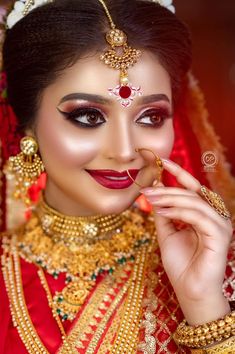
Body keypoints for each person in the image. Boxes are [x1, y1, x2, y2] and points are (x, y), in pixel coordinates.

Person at [0, 0, 235, 353]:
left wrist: (203, 305)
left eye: (151, 117)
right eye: (88, 116)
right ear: (27, 125)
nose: (126, 151)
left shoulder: (213, 266)